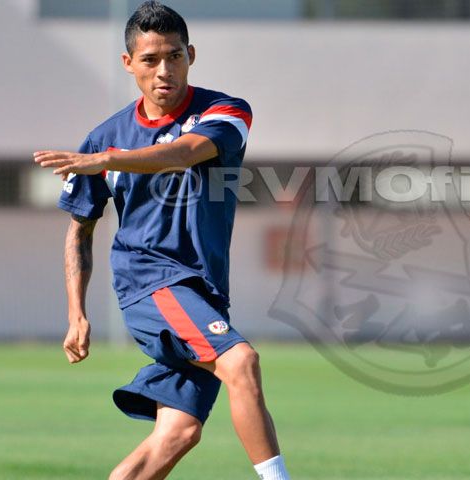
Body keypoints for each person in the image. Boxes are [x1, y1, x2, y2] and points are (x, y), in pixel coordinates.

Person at [34, 2, 290, 479]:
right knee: (242, 361)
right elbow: (80, 229)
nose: (164, 71)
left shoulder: (225, 112)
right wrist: (76, 313)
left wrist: (109, 160)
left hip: (204, 291)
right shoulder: (104, 138)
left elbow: (182, 154)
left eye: (174, 56)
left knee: (177, 433)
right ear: (128, 64)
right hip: (150, 282)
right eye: (150, 60)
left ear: (191, 55)